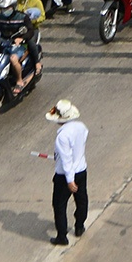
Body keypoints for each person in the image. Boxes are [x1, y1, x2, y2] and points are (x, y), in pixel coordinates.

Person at [43, 100, 89, 245]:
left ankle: (62, 236)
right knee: (81, 200)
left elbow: (66, 159)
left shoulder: (62, 137)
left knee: (59, 205)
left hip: (65, 176)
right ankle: (80, 226)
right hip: (81, 170)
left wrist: (70, 180)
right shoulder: (81, 127)